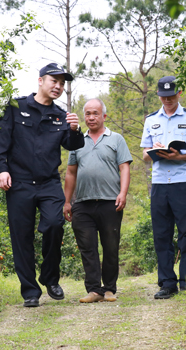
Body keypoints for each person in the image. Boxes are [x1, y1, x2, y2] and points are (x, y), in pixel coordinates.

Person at [0, 63, 85, 308]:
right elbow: (1, 141)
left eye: (62, 83)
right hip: (19, 183)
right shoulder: (15, 107)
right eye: (54, 81)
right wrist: (2, 169)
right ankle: (30, 291)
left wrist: (75, 130)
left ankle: (49, 277)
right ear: (40, 80)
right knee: (21, 238)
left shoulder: (61, 115)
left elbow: (72, 145)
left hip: (49, 183)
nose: (58, 86)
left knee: (55, 224)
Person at [140, 76, 186, 299]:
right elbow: (143, 155)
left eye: (171, 96)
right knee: (162, 234)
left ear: (179, 94)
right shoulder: (151, 120)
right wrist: (155, 152)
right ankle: (167, 283)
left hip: (183, 182)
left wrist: (179, 156)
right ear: (158, 96)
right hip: (160, 184)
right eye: (163, 97)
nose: (167, 100)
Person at [63, 99, 132, 303]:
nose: (91, 117)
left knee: (110, 246)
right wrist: (67, 201)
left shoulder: (116, 139)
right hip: (82, 203)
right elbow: (70, 173)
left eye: (95, 113)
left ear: (104, 116)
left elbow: (124, 168)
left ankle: (109, 288)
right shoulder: (76, 141)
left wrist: (123, 193)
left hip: (110, 201)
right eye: (88, 114)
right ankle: (94, 290)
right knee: (87, 247)